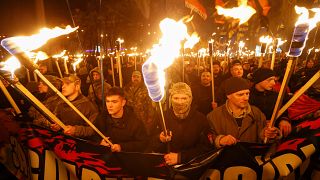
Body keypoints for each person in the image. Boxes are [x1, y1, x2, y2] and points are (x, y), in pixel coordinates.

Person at [149, 82, 212, 165]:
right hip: (166, 164)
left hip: (191, 166)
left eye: (184, 98)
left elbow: (205, 148)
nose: (180, 102)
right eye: (176, 98)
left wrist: (180, 157)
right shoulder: (162, 117)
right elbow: (150, 142)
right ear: (171, 99)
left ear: (190, 99)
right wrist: (160, 139)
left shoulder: (200, 119)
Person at [207, 77, 280, 148]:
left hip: (250, 157)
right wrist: (220, 140)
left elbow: (264, 133)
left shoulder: (256, 112)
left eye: (247, 93)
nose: (246, 98)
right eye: (240, 94)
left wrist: (268, 134)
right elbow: (208, 140)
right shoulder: (213, 116)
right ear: (228, 96)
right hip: (226, 158)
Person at [34, 75, 99, 139]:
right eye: (63, 84)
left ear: (77, 87)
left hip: (81, 143)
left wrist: (75, 130)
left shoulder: (88, 105)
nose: (63, 87)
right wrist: (57, 126)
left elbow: (94, 130)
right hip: (63, 141)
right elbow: (57, 120)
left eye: (67, 84)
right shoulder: (60, 103)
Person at [95, 87, 148, 152]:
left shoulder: (134, 121)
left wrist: (122, 147)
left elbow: (143, 143)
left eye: (114, 102)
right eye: (107, 101)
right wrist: (100, 143)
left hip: (127, 158)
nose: (110, 105)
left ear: (123, 103)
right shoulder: (101, 118)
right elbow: (94, 136)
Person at [250, 68, 292, 137]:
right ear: (259, 80)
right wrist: (262, 122)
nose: (273, 83)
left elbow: (282, 111)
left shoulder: (276, 96)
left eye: (274, 80)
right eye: (269, 80)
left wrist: (283, 120)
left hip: (273, 133)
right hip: (254, 135)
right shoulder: (247, 96)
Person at [124, 71, 155, 136]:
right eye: (134, 77)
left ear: (141, 78)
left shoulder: (146, 89)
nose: (135, 78)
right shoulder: (126, 88)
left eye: (138, 77)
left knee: (145, 132)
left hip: (143, 115)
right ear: (131, 78)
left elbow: (150, 104)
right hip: (131, 115)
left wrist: (150, 116)